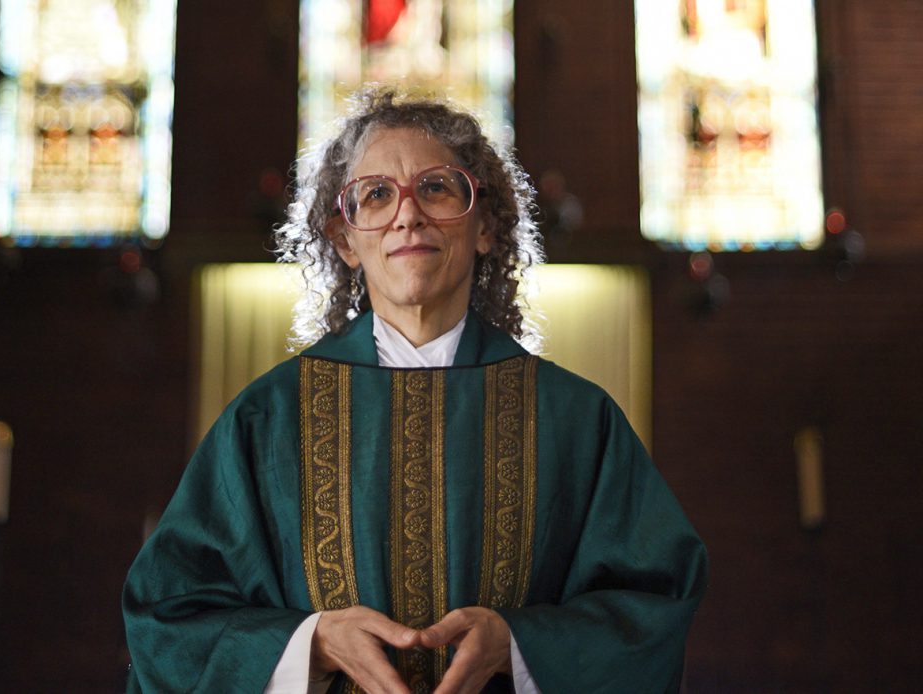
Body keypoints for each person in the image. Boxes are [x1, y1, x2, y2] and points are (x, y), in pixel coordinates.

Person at [123, 88, 707, 693]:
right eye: (375, 195)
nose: (408, 215)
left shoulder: (576, 420)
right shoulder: (269, 420)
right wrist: (313, 643)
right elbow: (167, 615)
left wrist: (520, 644)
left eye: (436, 188)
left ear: (484, 227)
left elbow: (653, 600)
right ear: (346, 240)